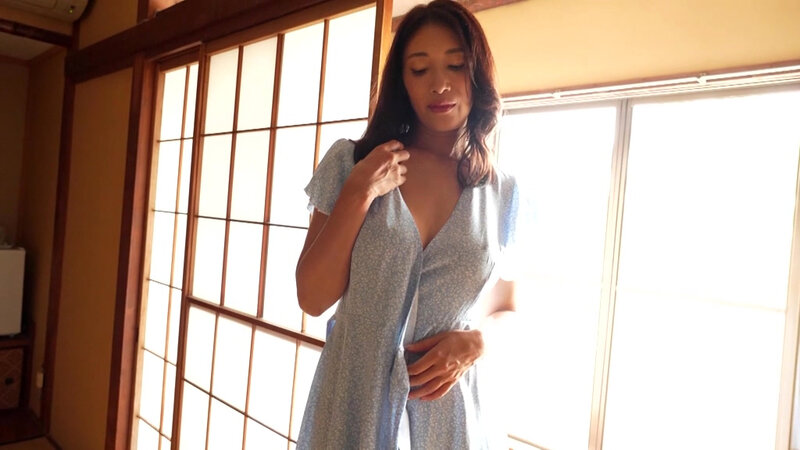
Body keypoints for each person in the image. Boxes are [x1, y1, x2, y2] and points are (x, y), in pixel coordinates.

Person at [295, 1, 528, 448]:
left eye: (455, 65)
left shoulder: (503, 192)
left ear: (477, 73)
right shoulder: (351, 163)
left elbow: (508, 307)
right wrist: (358, 193)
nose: (439, 84)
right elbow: (312, 297)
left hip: (450, 416)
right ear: (402, 81)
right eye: (419, 69)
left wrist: (478, 341)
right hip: (354, 405)